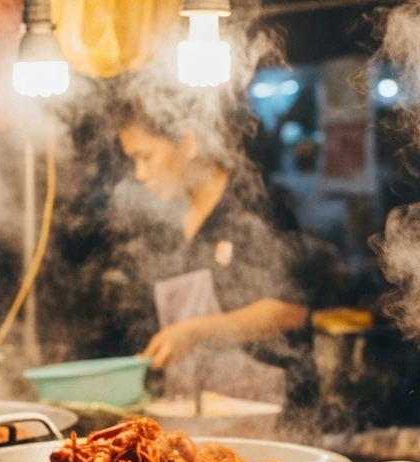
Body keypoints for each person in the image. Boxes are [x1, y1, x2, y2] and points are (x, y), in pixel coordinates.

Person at [54, 94, 324, 409]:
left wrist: (194, 332)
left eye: (146, 157)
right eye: (133, 161)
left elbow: (291, 311)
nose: (140, 174)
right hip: (194, 410)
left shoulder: (256, 205)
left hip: (272, 411)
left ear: (187, 144)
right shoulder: (165, 221)